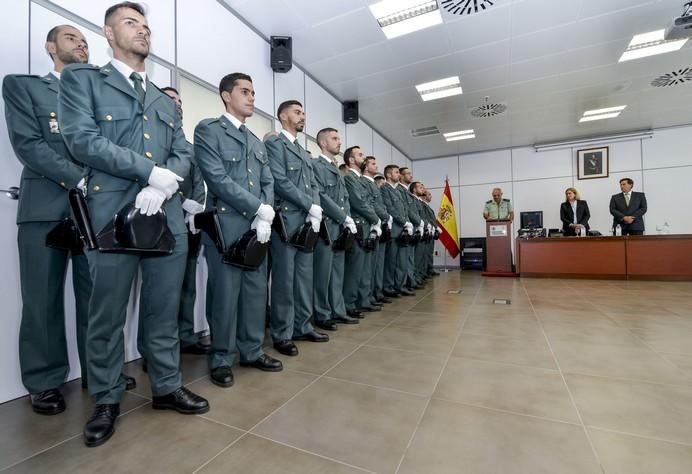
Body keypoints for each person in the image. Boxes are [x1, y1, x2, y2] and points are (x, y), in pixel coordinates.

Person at [58, 2, 209, 447]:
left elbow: (182, 150)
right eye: (131, 23)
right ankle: (105, 398)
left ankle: (165, 386)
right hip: (111, 216)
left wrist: (165, 186)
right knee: (106, 316)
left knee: (163, 310)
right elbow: (81, 139)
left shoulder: (164, 99)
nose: (142, 31)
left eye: (146, 25)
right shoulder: (83, 80)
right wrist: (147, 172)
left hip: (164, 216)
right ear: (108, 33)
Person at [2, 24, 95, 416]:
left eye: (86, 41)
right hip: (46, 209)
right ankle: (44, 381)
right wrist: (80, 178)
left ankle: (99, 371)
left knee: (97, 298)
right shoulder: (24, 87)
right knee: (41, 300)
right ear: (50, 47)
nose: (81, 44)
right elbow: (29, 145)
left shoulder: (97, 96)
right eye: (72, 38)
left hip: (95, 213)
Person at [194, 72, 283, 387]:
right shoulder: (209, 130)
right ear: (226, 95)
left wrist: (266, 212)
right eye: (244, 91)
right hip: (227, 223)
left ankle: (252, 350)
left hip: (258, 225)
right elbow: (217, 178)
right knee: (225, 295)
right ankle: (221, 357)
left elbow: (268, 180)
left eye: (254, 92)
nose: (251, 98)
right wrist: (258, 207)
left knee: (255, 292)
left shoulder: (256, 141)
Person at [266, 99, 328, 357]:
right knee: (284, 280)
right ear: (283, 116)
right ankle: (283, 333)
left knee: (304, 278)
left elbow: (313, 184)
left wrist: (315, 207)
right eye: (297, 112)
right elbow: (279, 181)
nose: (303, 116)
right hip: (287, 220)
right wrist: (308, 205)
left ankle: (303, 325)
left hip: (307, 221)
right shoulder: (274, 144)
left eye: (304, 112)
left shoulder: (303, 152)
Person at [160, 86, 209, 355]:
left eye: (179, 101)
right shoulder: (154, 139)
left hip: (189, 222)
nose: (176, 105)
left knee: (187, 283)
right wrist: (180, 201)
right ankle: (157, 349)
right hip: (161, 219)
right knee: (163, 290)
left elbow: (200, 180)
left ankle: (186, 336)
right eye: (170, 100)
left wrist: (196, 205)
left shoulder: (188, 146)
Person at [312, 128, 358, 330]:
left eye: (339, 138)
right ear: (323, 143)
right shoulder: (316, 165)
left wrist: (347, 219)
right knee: (323, 274)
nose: (339, 142)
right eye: (334, 138)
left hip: (340, 227)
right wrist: (343, 216)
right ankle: (321, 314)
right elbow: (321, 195)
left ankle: (337, 311)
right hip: (326, 226)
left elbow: (344, 198)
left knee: (337, 273)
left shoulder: (337, 169)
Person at [343, 146, 381, 316]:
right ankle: (350, 304)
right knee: (355, 269)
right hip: (359, 226)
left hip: (367, 225)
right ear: (351, 160)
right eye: (360, 154)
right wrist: (376, 219)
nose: (363, 157)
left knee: (365, 268)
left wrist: (375, 221)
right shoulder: (350, 178)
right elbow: (359, 202)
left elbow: (370, 202)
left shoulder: (361, 180)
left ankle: (363, 300)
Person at [380, 164, 413, 297]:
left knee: (402, 261)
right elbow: (390, 209)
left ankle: (400, 286)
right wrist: (404, 222)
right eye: (396, 172)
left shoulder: (398, 191)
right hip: (394, 229)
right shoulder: (385, 189)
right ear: (388, 175)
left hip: (402, 230)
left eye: (399, 172)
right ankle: (388, 287)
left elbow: (404, 209)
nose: (399, 175)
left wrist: (407, 223)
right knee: (391, 262)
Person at [362, 156, 391, 306]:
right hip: (370, 224)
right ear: (366, 167)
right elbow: (369, 204)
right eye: (373, 163)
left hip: (377, 224)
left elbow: (379, 204)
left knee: (376, 266)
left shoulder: (372, 184)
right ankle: (367, 297)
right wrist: (383, 217)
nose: (376, 165)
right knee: (368, 267)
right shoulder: (364, 182)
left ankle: (373, 294)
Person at [398, 167, 423, 291]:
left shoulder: (407, 192)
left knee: (410, 257)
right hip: (405, 226)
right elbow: (406, 209)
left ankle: (411, 280)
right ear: (401, 177)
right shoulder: (400, 190)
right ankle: (407, 282)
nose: (410, 176)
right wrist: (418, 222)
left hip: (412, 226)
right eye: (407, 174)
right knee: (405, 259)